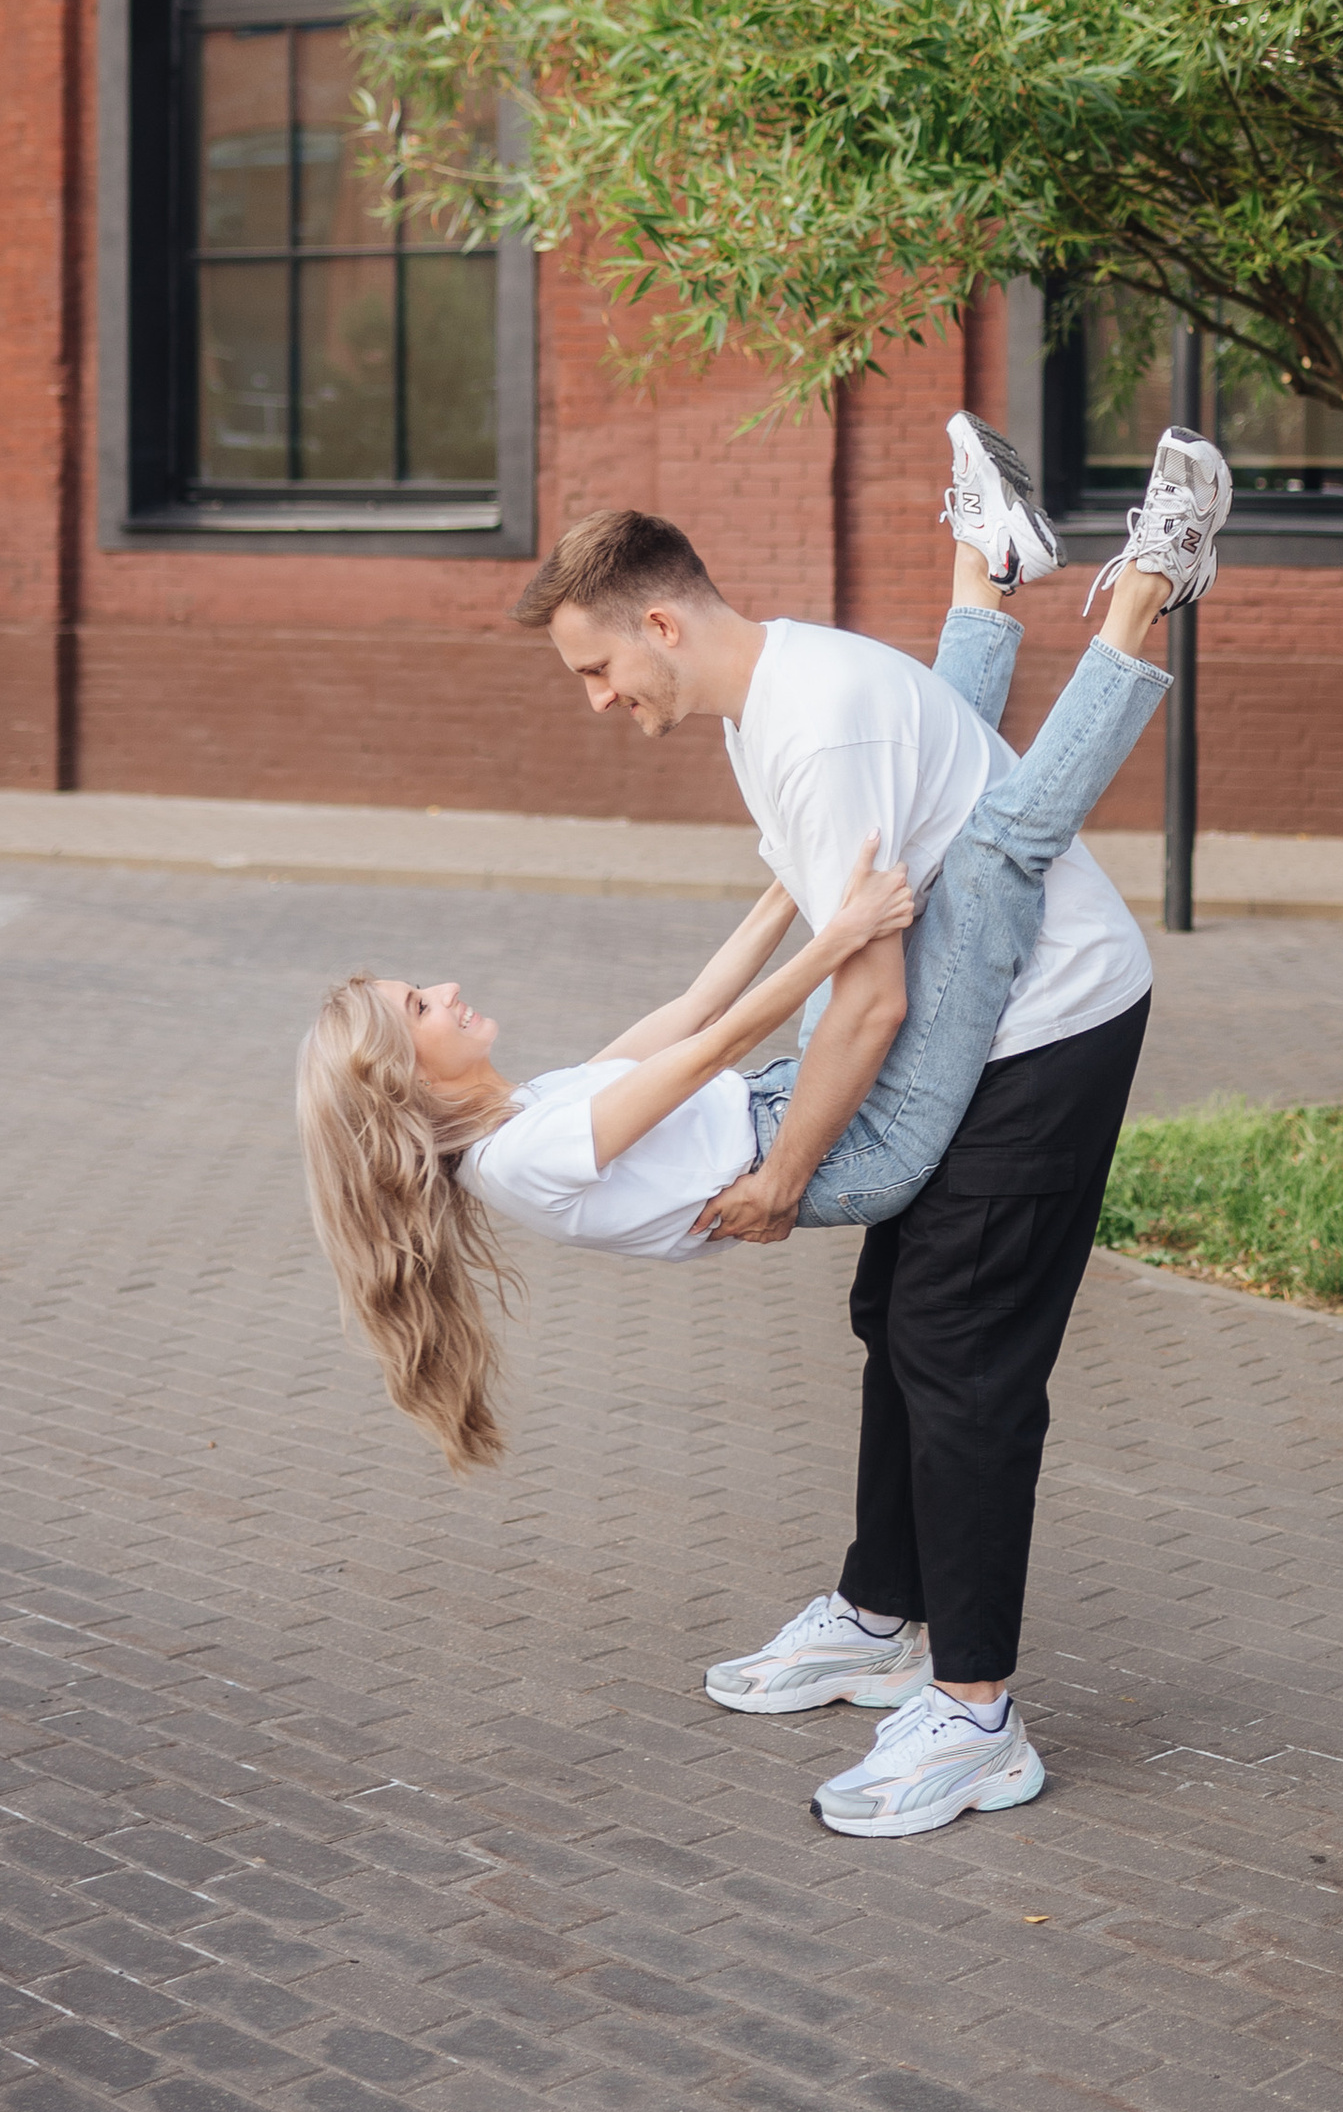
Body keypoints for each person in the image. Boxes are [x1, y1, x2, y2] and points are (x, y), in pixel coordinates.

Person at [507, 413, 1233, 1839]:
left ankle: (975, 1713)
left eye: (598, 667)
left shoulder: (811, 720)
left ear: (660, 620)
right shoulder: (774, 703)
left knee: (958, 1353)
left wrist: (781, 1172)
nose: (598, 698)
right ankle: (885, 1611)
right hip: (993, 1017)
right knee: (897, 1314)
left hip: (1046, 1028)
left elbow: (868, 1003)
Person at [296, 428, 1202, 1476]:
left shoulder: (526, 1110)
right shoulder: (524, 1158)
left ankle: (988, 562)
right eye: (419, 1006)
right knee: (995, 854)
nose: (445, 990)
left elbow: (690, 1009)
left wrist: (796, 881)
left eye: (597, 667)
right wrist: (833, 951)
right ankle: (1149, 584)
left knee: (912, 807)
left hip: (789, 1111)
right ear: (401, 1081)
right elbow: (706, 1048)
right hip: (842, 1153)